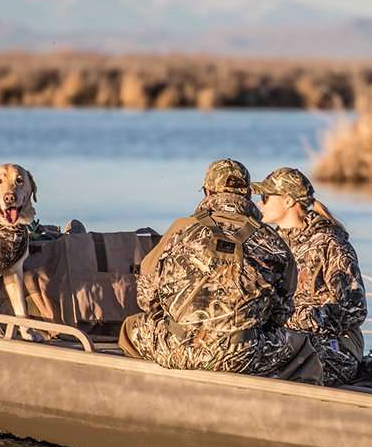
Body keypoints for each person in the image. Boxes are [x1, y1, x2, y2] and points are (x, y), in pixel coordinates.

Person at [119, 158, 321, 382]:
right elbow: (282, 313)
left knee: (130, 328)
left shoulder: (180, 229)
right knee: (302, 346)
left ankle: (144, 388)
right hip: (242, 357)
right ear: (247, 195)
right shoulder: (273, 242)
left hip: (176, 349)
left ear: (207, 192)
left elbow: (146, 298)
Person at [253, 167, 367, 386]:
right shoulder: (270, 244)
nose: (260, 204)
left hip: (335, 346)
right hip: (289, 340)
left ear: (288, 201)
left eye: (265, 197)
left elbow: (354, 309)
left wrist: (293, 319)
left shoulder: (330, 242)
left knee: (274, 363)